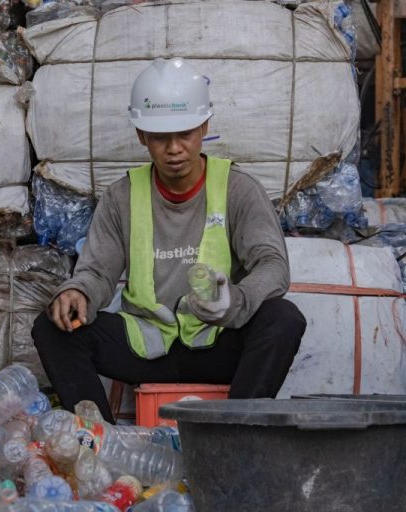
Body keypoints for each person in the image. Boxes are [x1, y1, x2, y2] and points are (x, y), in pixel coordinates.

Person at [32, 58, 306, 423]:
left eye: (186, 134)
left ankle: (236, 435)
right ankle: (101, 443)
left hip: (215, 343)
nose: (174, 148)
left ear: (204, 126)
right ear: (141, 135)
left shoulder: (238, 189)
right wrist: (78, 292)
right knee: (54, 327)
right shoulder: (122, 197)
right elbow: (97, 272)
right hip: (145, 348)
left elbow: (272, 265)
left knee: (283, 318)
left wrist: (236, 301)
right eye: (160, 137)